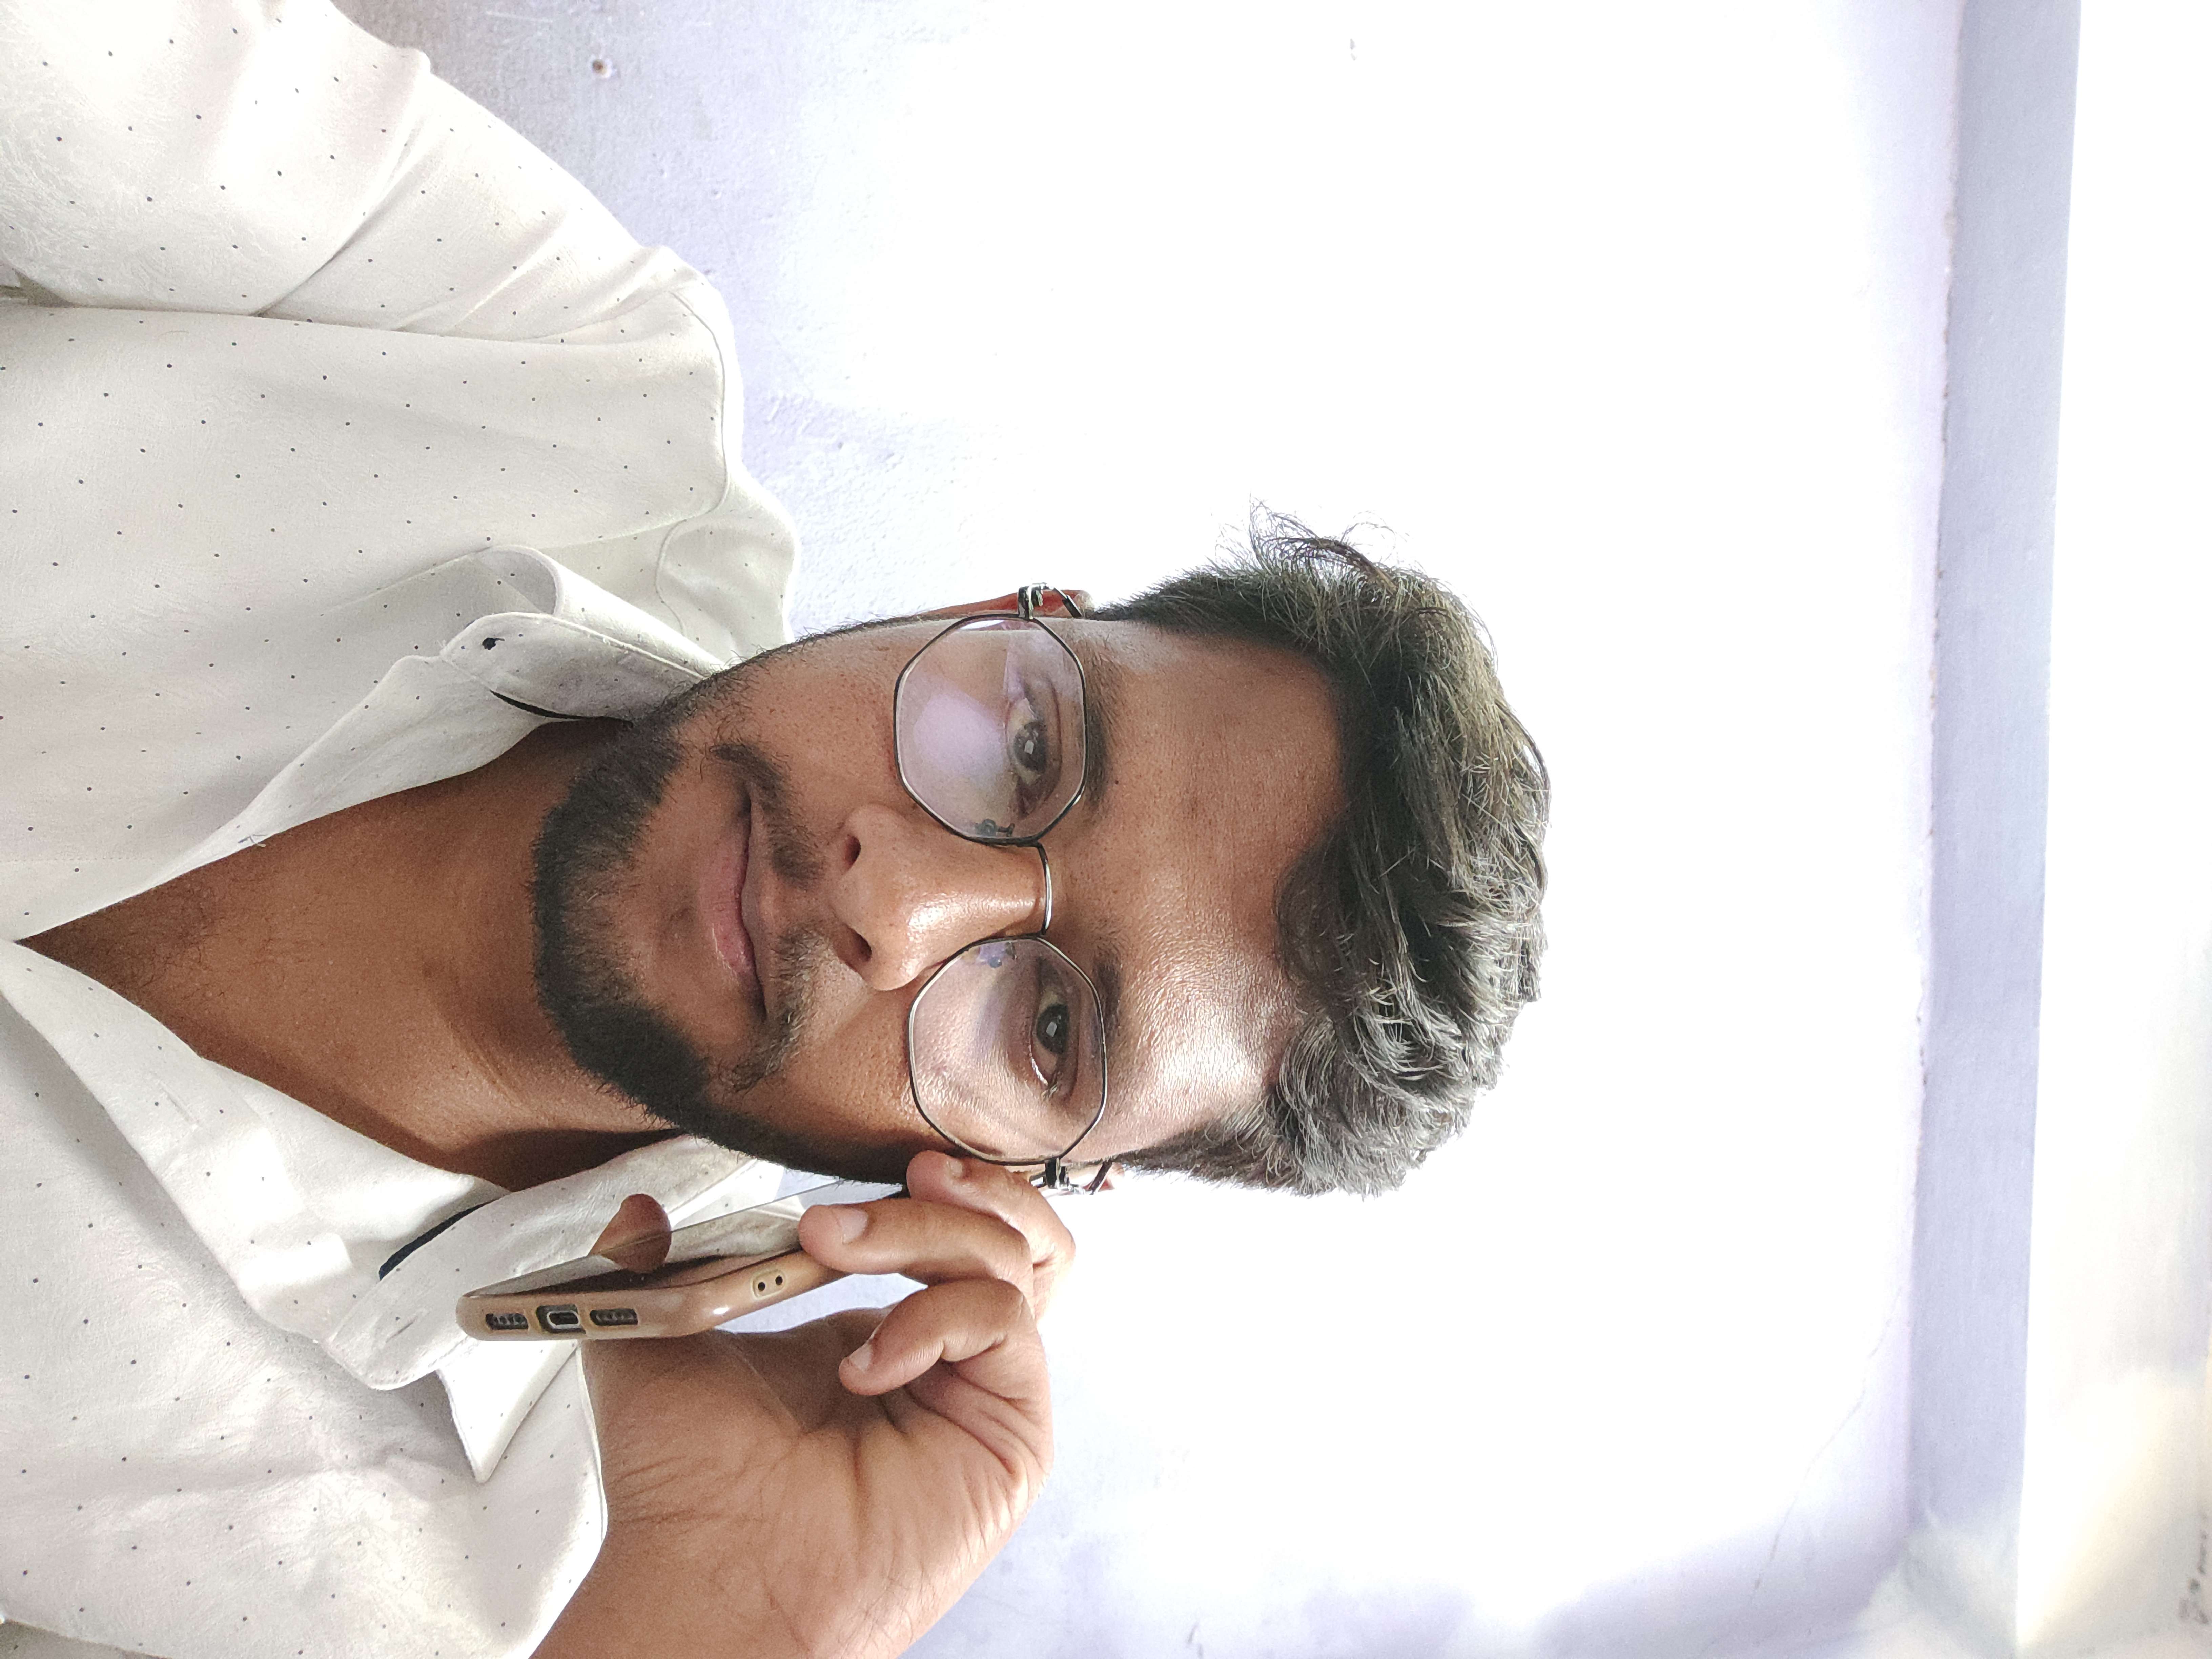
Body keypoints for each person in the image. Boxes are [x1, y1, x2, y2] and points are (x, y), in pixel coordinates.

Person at [0, 3, 1548, 1657]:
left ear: (1018, 1181)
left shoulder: (532, 1574)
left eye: (1049, 1025)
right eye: (1031, 746)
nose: (902, 901)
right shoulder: (562, 364)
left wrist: (720, 1632)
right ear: (995, 611)